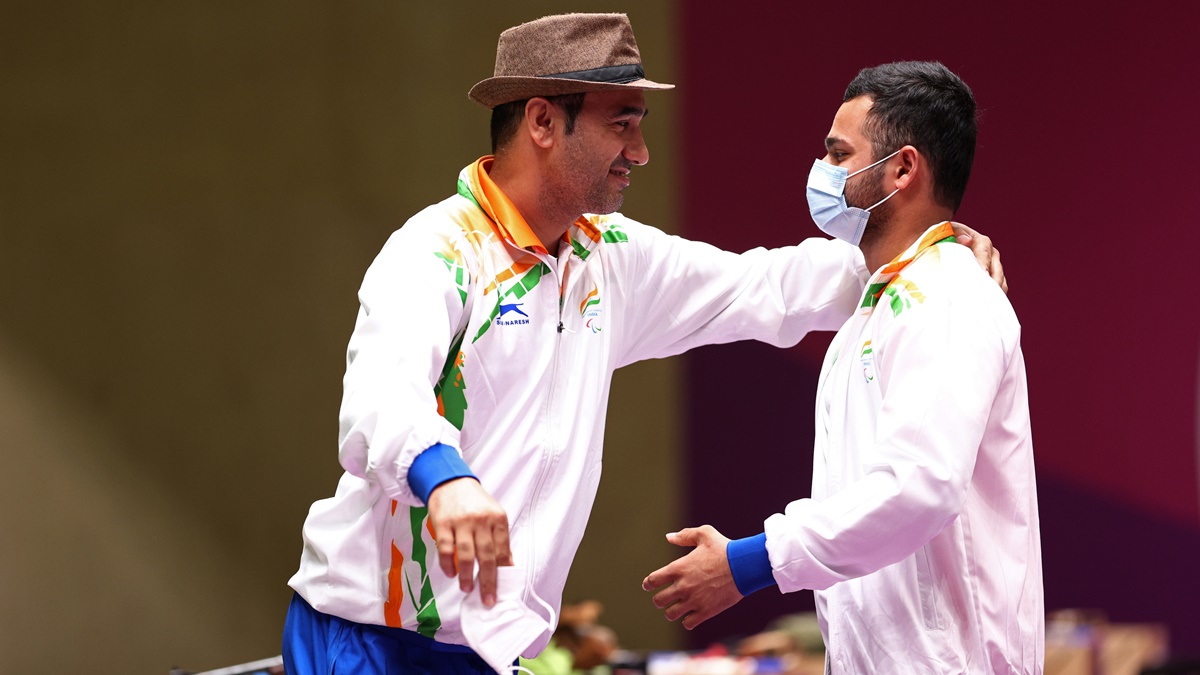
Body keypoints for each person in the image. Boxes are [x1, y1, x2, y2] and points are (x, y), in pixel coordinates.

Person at [281, 13, 1005, 673]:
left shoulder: (607, 257)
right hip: (369, 636)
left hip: (486, 652)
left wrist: (922, 246)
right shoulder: (437, 249)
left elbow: (768, 287)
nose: (642, 151)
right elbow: (379, 397)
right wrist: (446, 476)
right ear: (542, 121)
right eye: (622, 124)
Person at [642, 61, 1041, 674]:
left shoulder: (951, 296)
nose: (821, 172)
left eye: (838, 154)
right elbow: (762, 283)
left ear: (903, 168)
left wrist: (752, 562)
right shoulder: (877, 298)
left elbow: (920, 487)